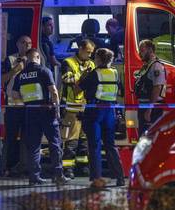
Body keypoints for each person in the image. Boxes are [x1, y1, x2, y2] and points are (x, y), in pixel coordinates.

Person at [12, 48, 69, 186]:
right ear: (37, 57)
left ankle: (34, 177)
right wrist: (57, 109)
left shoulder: (20, 75)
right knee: (54, 143)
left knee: (34, 146)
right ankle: (58, 175)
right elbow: (54, 91)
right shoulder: (44, 71)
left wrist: (25, 103)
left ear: (27, 58)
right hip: (46, 112)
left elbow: (14, 95)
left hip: (30, 113)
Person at [78, 48, 125, 186]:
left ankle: (96, 179)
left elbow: (79, 88)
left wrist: (83, 76)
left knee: (94, 145)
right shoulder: (115, 73)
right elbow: (120, 91)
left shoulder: (94, 74)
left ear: (99, 59)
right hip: (110, 111)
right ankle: (120, 177)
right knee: (111, 145)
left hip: (95, 112)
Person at [60, 39, 96, 179]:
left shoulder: (91, 64)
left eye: (91, 53)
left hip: (85, 107)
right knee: (71, 140)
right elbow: (66, 79)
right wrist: (84, 76)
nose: (89, 55)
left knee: (84, 140)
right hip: (72, 107)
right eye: (87, 52)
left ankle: (83, 166)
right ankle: (68, 168)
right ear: (80, 49)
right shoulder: (68, 62)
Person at [0, 35, 31, 177]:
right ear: (18, 44)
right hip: (13, 105)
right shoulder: (10, 59)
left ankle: (24, 167)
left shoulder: (35, 59)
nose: (26, 46)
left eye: (29, 43)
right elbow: (3, 79)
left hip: (28, 105)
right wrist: (17, 68)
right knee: (10, 138)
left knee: (27, 138)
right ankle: (5, 167)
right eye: (23, 42)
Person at [134, 40, 167, 137]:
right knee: (143, 137)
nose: (140, 54)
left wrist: (149, 109)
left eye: (142, 50)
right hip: (144, 105)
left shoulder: (156, 66)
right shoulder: (147, 66)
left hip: (151, 108)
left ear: (150, 50)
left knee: (148, 139)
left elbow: (157, 88)